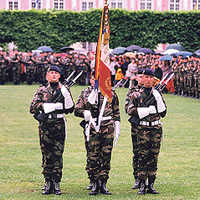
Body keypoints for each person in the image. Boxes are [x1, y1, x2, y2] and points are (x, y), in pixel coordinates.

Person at [30, 65, 74, 195]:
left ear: (59, 76)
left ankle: (56, 182)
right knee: (46, 153)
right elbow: (33, 107)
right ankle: (47, 181)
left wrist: (65, 95)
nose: (54, 75)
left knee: (58, 154)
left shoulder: (64, 89)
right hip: (45, 125)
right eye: (51, 73)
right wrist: (48, 106)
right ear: (47, 76)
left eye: (56, 73)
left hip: (59, 124)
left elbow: (70, 108)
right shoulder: (42, 90)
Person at [74, 72, 120, 195]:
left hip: (107, 127)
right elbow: (76, 109)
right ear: (91, 79)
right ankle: (94, 182)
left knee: (106, 155)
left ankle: (103, 183)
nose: (97, 81)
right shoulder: (85, 93)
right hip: (93, 127)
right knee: (92, 156)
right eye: (94, 78)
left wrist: (117, 125)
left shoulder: (110, 93)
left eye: (100, 78)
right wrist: (84, 113)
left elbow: (116, 111)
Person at [125, 68, 167, 195]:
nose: (148, 80)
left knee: (153, 156)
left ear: (154, 80)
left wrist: (158, 99)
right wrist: (147, 110)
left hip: (155, 128)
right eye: (146, 77)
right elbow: (129, 109)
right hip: (142, 128)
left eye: (150, 77)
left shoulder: (157, 93)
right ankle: (142, 183)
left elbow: (163, 112)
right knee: (142, 155)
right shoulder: (136, 94)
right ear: (142, 79)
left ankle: (151, 184)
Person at [125, 68, 143, 190]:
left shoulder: (153, 91)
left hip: (150, 126)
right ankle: (137, 178)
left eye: (144, 76)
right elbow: (127, 108)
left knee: (148, 154)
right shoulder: (132, 91)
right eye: (140, 76)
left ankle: (146, 180)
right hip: (137, 125)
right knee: (137, 152)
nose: (142, 78)